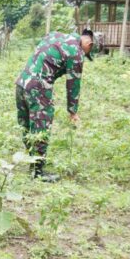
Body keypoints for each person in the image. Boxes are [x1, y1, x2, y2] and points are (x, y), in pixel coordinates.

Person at [15, 29, 94, 182]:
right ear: (89, 44)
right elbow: (73, 84)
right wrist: (73, 112)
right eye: (88, 52)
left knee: (25, 123)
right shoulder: (76, 52)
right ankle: (37, 172)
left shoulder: (55, 35)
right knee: (41, 126)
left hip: (21, 82)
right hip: (38, 86)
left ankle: (32, 158)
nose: (85, 55)